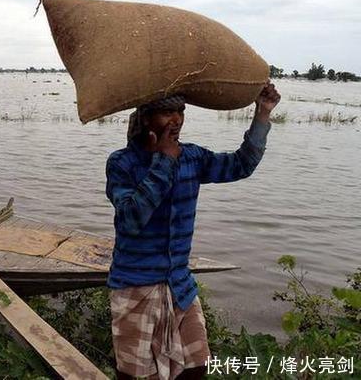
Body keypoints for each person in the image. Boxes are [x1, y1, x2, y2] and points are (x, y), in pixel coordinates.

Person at [106, 83, 280, 380]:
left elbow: (241, 164)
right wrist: (164, 161)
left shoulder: (192, 158)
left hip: (180, 286)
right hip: (136, 285)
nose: (175, 120)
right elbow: (131, 220)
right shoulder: (122, 163)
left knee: (196, 367)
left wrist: (262, 114)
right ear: (147, 118)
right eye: (166, 112)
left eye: (179, 112)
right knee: (137, 375)